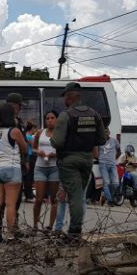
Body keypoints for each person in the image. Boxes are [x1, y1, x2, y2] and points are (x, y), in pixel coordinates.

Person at [51, 82, 106, 240]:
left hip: (69, 161)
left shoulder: (66, 115)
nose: (64, 101)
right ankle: (75, 231)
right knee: (79, 194)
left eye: (65, 98)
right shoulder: (94, 114)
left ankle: (74, 233)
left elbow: (57, 142)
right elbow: (101, 139)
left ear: (69, 97)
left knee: (74, 197)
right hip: (87, 160)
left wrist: (53, 139)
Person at [0, 103, 29, 244]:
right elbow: (25, 148)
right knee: (10, 204)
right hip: (10, 167)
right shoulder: (14, 131)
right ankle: (10, 236)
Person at [32, 110, 60, 230]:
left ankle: (50, 226)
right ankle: (35, 225)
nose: (50, 120)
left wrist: (56, 154)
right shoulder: (40, 132)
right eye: (47, 118)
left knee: (54, 199)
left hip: (54, 168)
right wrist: (39, 152)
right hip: (40, 168)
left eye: (52, 118)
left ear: (57, 119)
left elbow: (65, 150)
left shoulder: (60, 133)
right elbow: (33, 148)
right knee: (39, 199)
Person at [97, 128, 120, 206]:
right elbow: (96, 152)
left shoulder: (114, 141)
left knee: (115, 183)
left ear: (109, 132)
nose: (106, 133)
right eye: (104, 132)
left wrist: (114, 159)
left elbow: (119, 151)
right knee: (106, 182)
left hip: (112, 164)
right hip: (103, 164)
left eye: (107, 131)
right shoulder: (99, 141)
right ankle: (110, 200)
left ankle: (106, 195)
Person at [23, 120, 38, 202]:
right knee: (30, 176)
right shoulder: (30, 137)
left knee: (26, 177)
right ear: (31, 129)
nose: (35, 130)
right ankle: (29, 196)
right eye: (34, 129)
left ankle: (27, 194)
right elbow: (34, 148)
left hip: (26, 157)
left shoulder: (24, 136)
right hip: (31, 156)